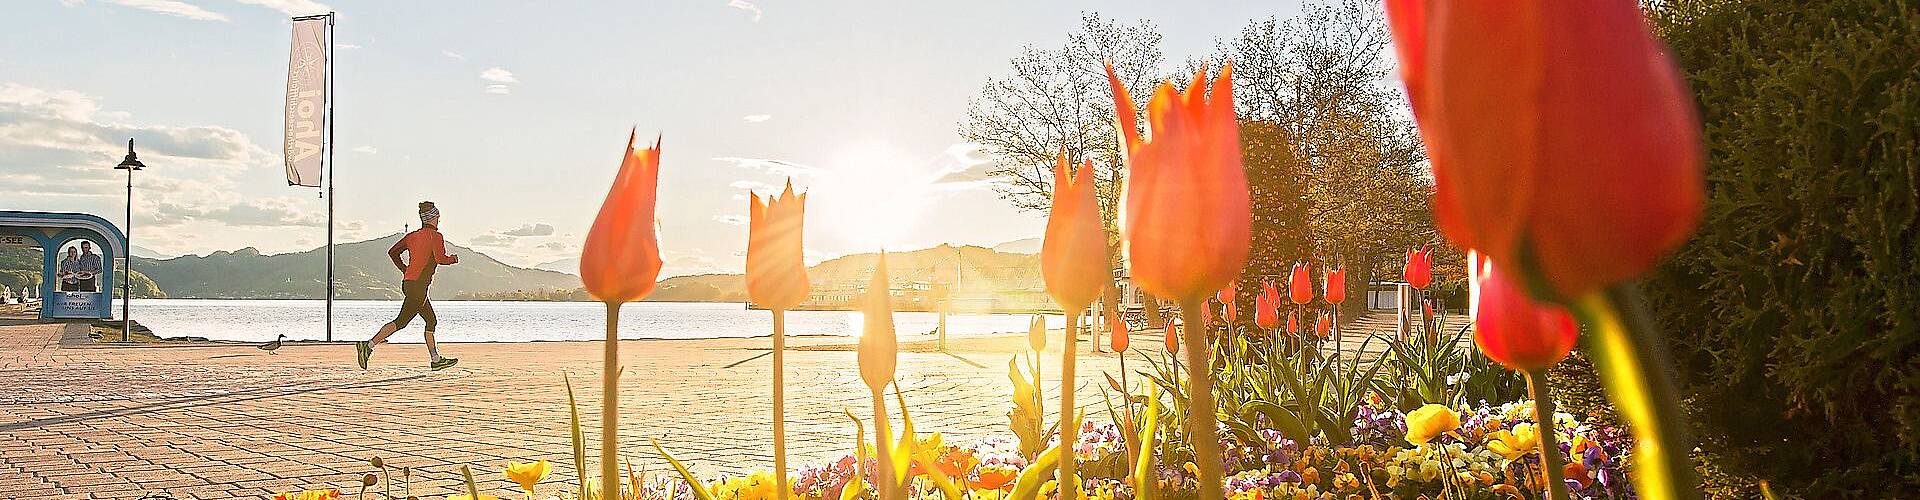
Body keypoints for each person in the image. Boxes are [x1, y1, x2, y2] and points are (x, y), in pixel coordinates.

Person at [356, 201, 461, 370]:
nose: (439, 219)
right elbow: (441, 259)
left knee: (431, 320)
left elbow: (393, 252)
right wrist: (453, 259)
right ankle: (367, 346)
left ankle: (435, 359)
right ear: (434, 217)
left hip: (410, 284)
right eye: (438, 216)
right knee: (401, 322)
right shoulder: (436, 236)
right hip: (418, 287)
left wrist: (404, 269)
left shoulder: (412, 236)